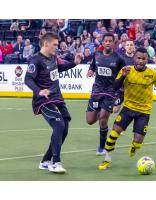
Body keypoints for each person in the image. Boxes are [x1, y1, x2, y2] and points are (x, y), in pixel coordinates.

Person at [98, 47, 156, 170]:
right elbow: (114, 87)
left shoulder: (152, 74)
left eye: (143, 59)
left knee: (138, 142)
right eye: (138, 58)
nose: (141, 61)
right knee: (113, 134)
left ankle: (135, 145)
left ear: (147, 59)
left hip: (144, 112)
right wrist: (123, 76)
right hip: (128, 109)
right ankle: (107, 160)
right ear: (134, 58)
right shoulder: (126, 70)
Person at [25, 32, 82, 174]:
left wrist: (74, 63)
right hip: (44, 100)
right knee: (58, 124)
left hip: (58, 98)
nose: (57, 47)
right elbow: (28, 79)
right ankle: (55, 162)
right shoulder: (35, 60)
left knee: (64, 128)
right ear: (46, 44)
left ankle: (45, 161)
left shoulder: (54, 58)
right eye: (55, 45)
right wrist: (39, 91)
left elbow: (60, 68)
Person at [86, 33, 126, 155]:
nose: (108, 43)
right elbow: (92, 66)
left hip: (110, 92)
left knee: (103, 120)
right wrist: (90, 71)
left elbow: (125, 76)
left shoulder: (119, 59)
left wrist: (121, 92)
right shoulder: (96, 54)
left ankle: (102, 147)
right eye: (106, 41)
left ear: (114, 43)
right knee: (90, 121)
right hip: (96, 91)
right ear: (102, 43)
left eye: (110, 41)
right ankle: (103, 111)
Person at [113, 39, 135, 114]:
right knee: (115, 110)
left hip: (132, 90)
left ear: (134, 47)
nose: (129, 47)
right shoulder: (120, 58)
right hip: (121, 90)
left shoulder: (137, 59)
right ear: (125, 47)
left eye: (131, 45)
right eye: (128, 45)